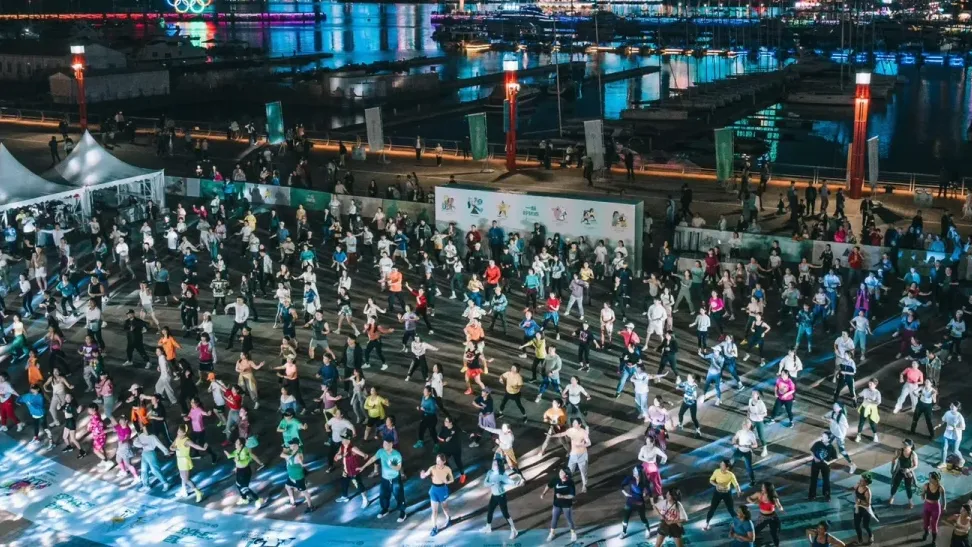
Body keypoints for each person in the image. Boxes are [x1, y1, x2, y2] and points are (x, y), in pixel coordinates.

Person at [359, 439, 407, 522]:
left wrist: (391, 465)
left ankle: (402, 512)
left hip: (395, 478)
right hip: (385, 478)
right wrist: (363, 467)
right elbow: (373, 459)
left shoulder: (396, 454)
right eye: (384, 443)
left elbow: (398, 468)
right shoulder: (381, 451)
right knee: (383, 495)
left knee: (398, 495)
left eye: (386, 444)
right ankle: (385, 509)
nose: (384, 445)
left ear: (391, 444)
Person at [482, 459, 522, 539]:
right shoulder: (489, 472)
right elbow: (485, 483)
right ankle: (488, 527)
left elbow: (509, 481)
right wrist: (492, 483)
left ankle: (514, 530)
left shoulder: (502, 475)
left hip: (501, 496)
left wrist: (517, 482)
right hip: (494, 496)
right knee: (490, 511)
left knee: (505, 514)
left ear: (499, 466)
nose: (494, 465)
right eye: (493, 463)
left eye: (496, 464)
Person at [419, 453, 455, 536]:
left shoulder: (447, 469)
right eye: (437, 461)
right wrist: (422, 474)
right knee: (434, 511)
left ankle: (448, 519)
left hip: (443, 490)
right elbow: (424, 475)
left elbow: (452, 479)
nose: (437, 463)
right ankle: (434, 528)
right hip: (434, 490)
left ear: (444, 461)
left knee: (445, 507)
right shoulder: (432, 468)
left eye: (439, 461)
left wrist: (447, 482)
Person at [225, 437, 265, 508]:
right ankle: (244, 499)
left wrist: (237, 461)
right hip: (239, 471)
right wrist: (227, 454)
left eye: (237, 443)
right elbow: (232, 456)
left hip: (244, 471)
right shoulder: (237, 450)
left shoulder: (245, 451)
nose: (235, 444)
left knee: (244, 488)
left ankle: (258, 499)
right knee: (238, 485)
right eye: (235, 442)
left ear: (241, 445)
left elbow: (246, 462)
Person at [541, 466, 578, 543]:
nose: (560, 473)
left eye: (562, 472)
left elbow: (572, 495)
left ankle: (573, 533)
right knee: (554, 519)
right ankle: (552, 533)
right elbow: (549, 485)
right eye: (560, 472)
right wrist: (544, 493)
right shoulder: (556, 480)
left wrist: (562, 496)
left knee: (569, 519)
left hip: (567, 505)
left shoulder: (570, 482)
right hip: (557, 504)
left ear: (566, 475)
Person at [703, 459, 740, 531]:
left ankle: (738, 523)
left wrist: (738, 491)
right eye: (721, 464)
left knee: (731, 509)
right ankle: (707, 523)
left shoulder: (731, 475)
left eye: (722, 465)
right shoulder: (716, 471)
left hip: (727, 493)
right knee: (712, 509)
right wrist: (717, 485)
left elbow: (736, 484)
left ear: (727, 468)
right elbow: (711, 480)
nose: (720, 465)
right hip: (717, 493)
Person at [281, 438, 315, 513]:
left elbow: (300, 460)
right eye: (290, 445)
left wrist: (301, 463)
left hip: (298, 477)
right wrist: (288, 451)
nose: (290, 446)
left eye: (292, 445)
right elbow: (282, 455)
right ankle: (292, 503)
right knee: (287, 487)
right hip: (291, 476)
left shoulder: (298, 454)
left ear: (296, 445)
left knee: (304, 492)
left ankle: (310, 506)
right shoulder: (291, 451)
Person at [750, 482, 784, 547]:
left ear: (768, 489)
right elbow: (749, 498)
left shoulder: (774, 498)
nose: (761, 488)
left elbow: (779, 506)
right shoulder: (759, 494)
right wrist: (752, 501)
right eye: (762, 487)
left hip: (772, 517)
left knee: (774, 534)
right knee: (755, 531)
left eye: (763, 487)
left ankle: (777, 545)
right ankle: (754, 543)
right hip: (763, 517)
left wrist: (781, 508)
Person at [889, 439, 919, 508]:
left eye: (906, 445)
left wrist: (909, 470)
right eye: (904, 444)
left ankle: (910, 501)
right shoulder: (900, 451)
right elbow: (894, 459)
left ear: (910, 446)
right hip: (900, 470)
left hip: (908, 472)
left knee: (908, 487)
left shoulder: (913, 454)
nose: (904, 446)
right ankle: (891, 497)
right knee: (895, 485)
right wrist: (892, 468)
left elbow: (916, 465)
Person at [808, 432, 838, 501]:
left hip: (825, 466)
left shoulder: (831, 448)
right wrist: (815, 458)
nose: (822, 438)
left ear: (829, 439)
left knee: (826, 480)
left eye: (824, 437)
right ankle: (812, 495)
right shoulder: (818, 443)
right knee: (813, 479)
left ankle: (826, 494)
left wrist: (829, 462)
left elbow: (835, 458)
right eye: (822, 436)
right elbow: (812, 451)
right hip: (815, 464)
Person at [939, 401, 966, 469]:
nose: (951, 407)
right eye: (950, 405)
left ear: (957, 408)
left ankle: (962, 460)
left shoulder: (959, 416)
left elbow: (963, 427)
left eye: (953, 406)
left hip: (956, 435)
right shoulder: (947, 413)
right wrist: (939, 424)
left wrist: (956, 428)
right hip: (947, 433)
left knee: (955, 450)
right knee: (944, 448)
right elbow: (943, 420)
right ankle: (943, 463)